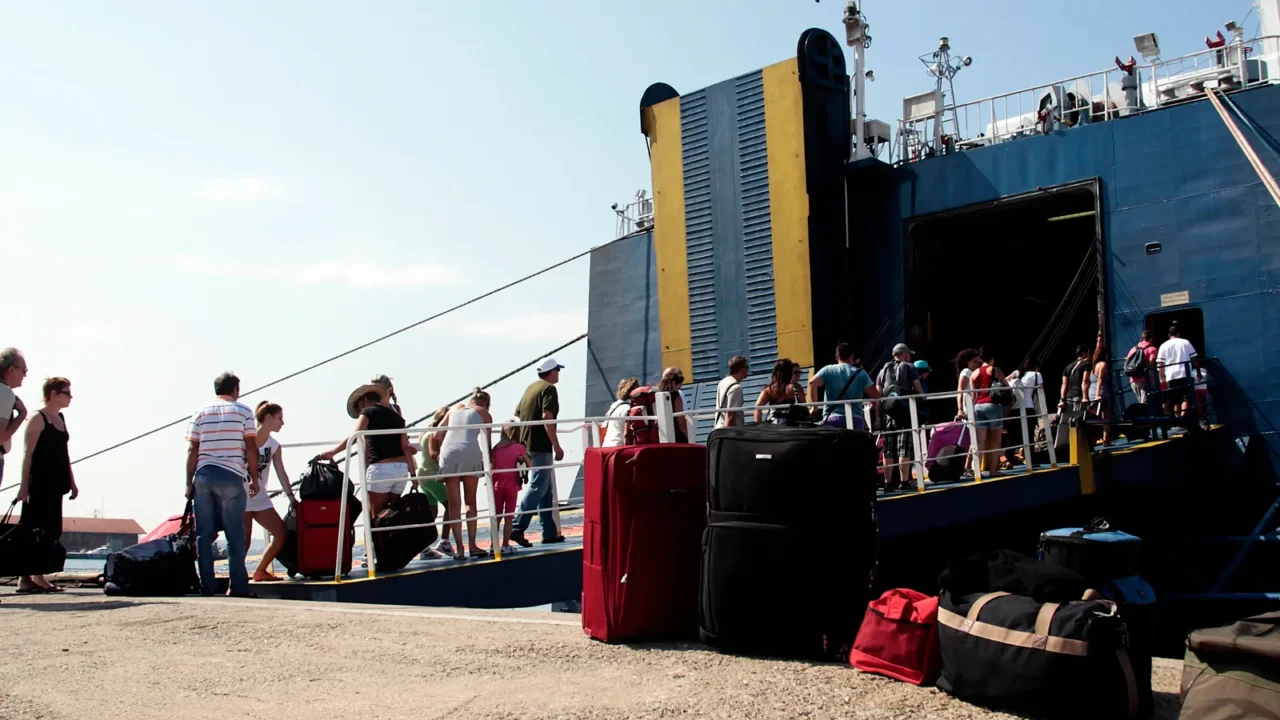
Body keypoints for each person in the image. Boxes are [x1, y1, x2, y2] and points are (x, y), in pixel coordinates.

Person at [185, 372, 257, 598]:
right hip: (231, 475)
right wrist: (254, 477)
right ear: (235, 388)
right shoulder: (244, 411)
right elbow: (251, 447)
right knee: (235, 534)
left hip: (203, 476)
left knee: (204, 535)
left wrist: (189, 483)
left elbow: (192, 450)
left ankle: (207, 586)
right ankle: (238, 588)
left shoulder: (200, 413)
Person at [14, 377, 77, 594]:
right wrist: (23, 486)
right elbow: (27, 455)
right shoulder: (37, 418)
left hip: (56, 483)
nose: (70, 397)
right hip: (38, 483)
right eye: (66, 393)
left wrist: (72, 480)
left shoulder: (60, 418)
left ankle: (38, 576)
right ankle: (25, 578)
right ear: (53, 393)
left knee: (51, 529)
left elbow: (64, 453)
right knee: (32, 528)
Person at [317, 382, 416, 518]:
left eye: (358, 408)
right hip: (401, 471)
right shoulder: (397, 417)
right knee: (395, 515)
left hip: (382, 470)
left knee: (378, 516)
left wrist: (332, 452)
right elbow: (405, 447)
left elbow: (354, 435)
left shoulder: (368, 411)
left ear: (363, 401)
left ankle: (378, 539)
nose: (359, 412)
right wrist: (413, 475)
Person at [430, 388, 493, 560]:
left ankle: (459, 549)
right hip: (470, 451)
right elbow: (486, 442)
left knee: (454, 505)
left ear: (471, 400)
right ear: (486, 404)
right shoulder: (484, 413)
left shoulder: (454, 409)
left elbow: (436, 434)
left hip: (449, 452)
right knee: (470, 502)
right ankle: (472, 545)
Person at [511, 358, 566, 548]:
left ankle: (549, 533)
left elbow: (518, 413)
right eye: (557, 370)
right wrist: (556, 446)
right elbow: (547, 417)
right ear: (551, 372)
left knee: (545, 489)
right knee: (538, 486)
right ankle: (517, 527)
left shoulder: (530, 388)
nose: (558, 374)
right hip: (540, 444)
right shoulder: (549, 389)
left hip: (526, 443)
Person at [242, 401, 297, 582]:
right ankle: (237, 581)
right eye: (279, 418)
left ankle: (260, 571)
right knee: (244, 541)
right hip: (241, 497)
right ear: (268, 418)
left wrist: (291, 497)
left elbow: (281, 471)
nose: (282, 423)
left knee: (281, 534)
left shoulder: (274, 445)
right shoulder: (244, 440)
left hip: (260, 497)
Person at [879, 343, 925, 491]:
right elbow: (917, 387)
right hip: (904, 413)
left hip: (888, 413)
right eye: (908, 354)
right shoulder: (909, 367)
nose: (910, 357)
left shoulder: (884, 369)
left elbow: (879, 390)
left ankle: (888, 483)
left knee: (888, 449)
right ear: (904, 354)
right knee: (904, 449)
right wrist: (923, 398)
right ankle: (904, 482)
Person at [809, 343, 878, 430]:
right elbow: (876, 395)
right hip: (855, 420)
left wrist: (814, 407)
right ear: (852, 356)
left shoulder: (828, 370)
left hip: (833, 420)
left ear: (836, 356)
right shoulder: (861, 373)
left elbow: (812, 383)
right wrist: (872, 403)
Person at [417, 406, 450, 559]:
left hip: (422, 475)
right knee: (451, 506)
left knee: (432, 511)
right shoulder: (434, 434)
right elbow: (433, 454)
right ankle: (444, 541)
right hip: (432, 475)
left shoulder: (424, 432)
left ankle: (424, 547)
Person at [490, 423, 528, 553]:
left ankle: (492, 545)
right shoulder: (519, 448)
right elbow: (530, 464)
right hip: (512, 486)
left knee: (497, 516)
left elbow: (492, 467)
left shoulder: (496, 448)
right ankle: (505, 545)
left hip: (497, 485)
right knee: (509, 517)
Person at [968, 349, 1008, 475]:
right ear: (992, 359)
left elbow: (973, 394)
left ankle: (977, 471)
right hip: (992, 405)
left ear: (980, 360)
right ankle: (993, 470)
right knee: (995, 440)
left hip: (978, 406)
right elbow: (1005, 384)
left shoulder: (974, 373)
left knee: (979, 441)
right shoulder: (994, 369)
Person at [1004, 358, 1044, 467]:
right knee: (1029, 435)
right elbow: (1040, 389)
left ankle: (1008, 459)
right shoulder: (1037, 374)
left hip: (1014, 408)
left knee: (1012, 435)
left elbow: (1004, 381)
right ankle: (1031, 460)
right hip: (1028, 407)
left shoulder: (1017, 373)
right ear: (1036, 367)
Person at [0, 348, 28, 488]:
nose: (25, 375)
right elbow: (1, 436)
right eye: (24, 370)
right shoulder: (5, 393)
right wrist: (22, 414)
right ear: (11, 369)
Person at [1157, 323, 1198, 418]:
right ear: (1178, 334)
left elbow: (1160, 364)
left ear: (1169, 335)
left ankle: (1177, 422)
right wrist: (1198, 371)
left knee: (1174, 400)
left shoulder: (1163, 345)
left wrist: (1161, 377)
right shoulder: (1186, 342)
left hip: (1171, 376)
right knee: (1186, 398)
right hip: (1185, 374)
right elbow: (1195, 358)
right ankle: (1183, 418)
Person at [754, 358, 802, 424]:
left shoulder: (768, 390)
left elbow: (757, 408)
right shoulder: (795, 387)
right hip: (791, 425)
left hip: (773, 426)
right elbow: (803, 408)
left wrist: (758, 426)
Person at [1083, 343, 1114, 445]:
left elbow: (1087, 381)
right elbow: (1100, 380)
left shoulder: (1092, 366)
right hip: (1100, 391)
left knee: (1095, 416)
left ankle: (1094, 438)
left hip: (1091, 391)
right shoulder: (1102, 364)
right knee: (1107, 416)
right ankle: (1106, 439)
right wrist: (1098, 395)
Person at [602, 377, 639, 447]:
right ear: (630, 392)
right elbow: (627, 434)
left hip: (606, 445)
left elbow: (604, 428)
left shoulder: (613, 406)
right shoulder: (629, 409)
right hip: (619, 447)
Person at [714, 357, 750, 429]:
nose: (747, 370)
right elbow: (730, 415)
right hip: (731, 432)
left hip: (718, 427)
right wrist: (726, 435)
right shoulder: (736, 388)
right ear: (741, 369)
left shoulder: (722, 382)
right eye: (747, 367)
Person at [1058, 344, 1092, 419]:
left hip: (1068, 397)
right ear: (1084, 353)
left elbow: (1064, 384)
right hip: (1079, 396)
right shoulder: (1087, 364)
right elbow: (1085, 380)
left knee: (1065, 422)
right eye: (1088, 353)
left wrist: (1062, 400)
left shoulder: (1068, 367)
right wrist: (1085, 397)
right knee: (1078, 421)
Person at [1126, 330, 1160, 404]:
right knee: (1145, 403)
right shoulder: (1152, 349)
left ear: (1141, 339)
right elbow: (1151, 362)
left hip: (1133, 380)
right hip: (1145, 379)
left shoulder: (1133, 349)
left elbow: (1127, 362)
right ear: (1150, 339)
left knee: (1141, 401)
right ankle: (1145, 415)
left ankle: (1143, 414)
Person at [658, 367, 691, 440]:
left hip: (661, 435)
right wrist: (688, 436)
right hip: (676, 435)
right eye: (679, 385)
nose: (680, 388)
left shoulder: (657, 394)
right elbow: (681, 421)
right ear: (673, 383)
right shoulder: (676, 396)